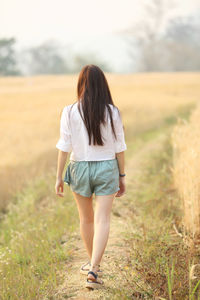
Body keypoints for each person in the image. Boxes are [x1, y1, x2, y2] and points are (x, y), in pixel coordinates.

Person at [55, 64, 127, 290]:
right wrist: (122, 175)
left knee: (86, 219)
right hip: (107, 166)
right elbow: (119, 148)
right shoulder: (112, 112)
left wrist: (58, 177)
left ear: (81, 85)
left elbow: (64, 148)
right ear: (103, 85)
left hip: (79, 167)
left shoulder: (69, 111)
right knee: (102, 219)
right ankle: (94, 268)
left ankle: (92, 265)